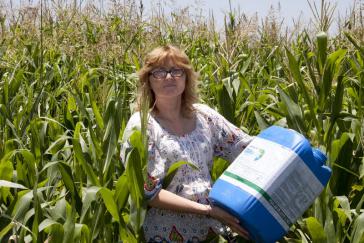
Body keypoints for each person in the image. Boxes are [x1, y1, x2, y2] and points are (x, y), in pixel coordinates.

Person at [120, 45, 253, 242]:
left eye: (176, 70)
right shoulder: (142, 126)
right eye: (159, 72)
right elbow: (149, 193)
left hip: (214, 231)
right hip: (168, 234)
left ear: (186, 77)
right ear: (148, 80)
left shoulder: (204, 116)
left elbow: (246, 148)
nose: (168, 77)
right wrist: (208, 211)